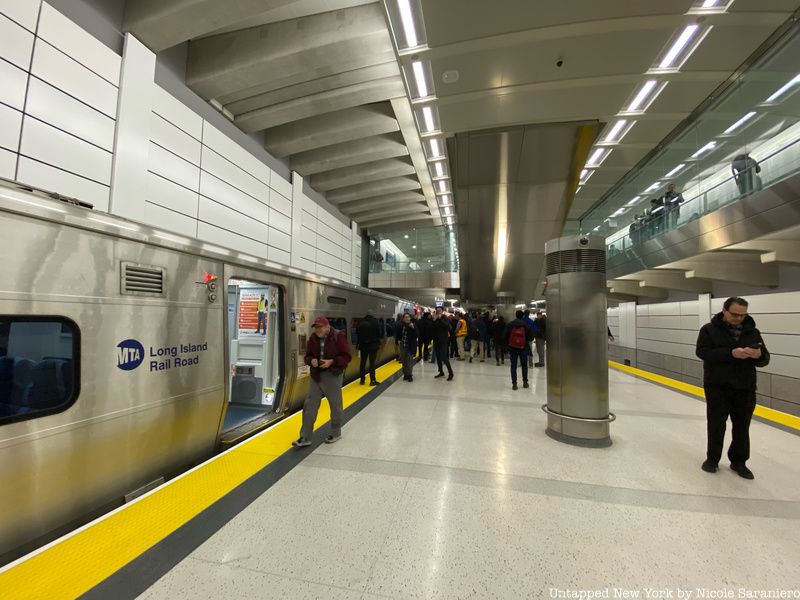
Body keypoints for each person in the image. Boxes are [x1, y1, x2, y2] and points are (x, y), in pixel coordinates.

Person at [695, 297, 770, 480]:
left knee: (742, 426)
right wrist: (731, 353)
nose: (738, 318)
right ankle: (712, 459)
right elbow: (702, 352)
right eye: (735, 314)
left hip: (745, 388)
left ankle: (739, 461)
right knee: (716, 424)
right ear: (724, 310)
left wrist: (758, 355)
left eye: (742, 315)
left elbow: (765, 359)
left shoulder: (753, 332)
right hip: (717, 387)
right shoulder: (709, 330)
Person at [292, 317, 352, 447]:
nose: (317, 330)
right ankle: (305, 437)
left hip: (333, 375)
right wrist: (311, 360)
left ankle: (336, 432)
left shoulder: (338, 336)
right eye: (316, 327)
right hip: (316, 375)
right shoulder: (313, 338)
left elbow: (347, 356)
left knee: (335, 405)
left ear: (327, 327)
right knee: (309, 406)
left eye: (320, 327)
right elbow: (307, 356)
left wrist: (332, 362)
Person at [504, 310, 534, 390]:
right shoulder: (526, 325)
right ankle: (525, 382)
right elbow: (531, 337)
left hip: (512, 347)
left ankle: (514, 384)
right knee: (524, 365)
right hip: (523, 347)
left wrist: (508, 343)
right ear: (522, 316)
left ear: (516, 315)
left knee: (513, 365)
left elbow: (505, 335)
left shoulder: (510, 324)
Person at [356, 311, 381, 386]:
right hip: (373, 346)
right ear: (372, 315)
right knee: (372, 363)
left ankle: (362, 380)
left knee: (362, 362)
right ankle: (372, 380)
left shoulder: (360, 321)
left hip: (362, 346)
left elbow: (357, 332)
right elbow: (379, 333)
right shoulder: (375, 321)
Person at [432, 307, 454, 381]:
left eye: (439, 310)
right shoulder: (435, 318)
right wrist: (434, 320)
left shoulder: (445, 318)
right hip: (436, 341)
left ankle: (451, 373)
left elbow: (447, 326)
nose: (438, 312)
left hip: (443, 341)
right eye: (437, 310)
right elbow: (432, 328)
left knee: (444, 357)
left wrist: (440, 318)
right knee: (438, 357)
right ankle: (441, 372)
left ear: (442, 311)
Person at [398, 313, 418, 382]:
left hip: (410, 346)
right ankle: (405, 374)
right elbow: (398, 334)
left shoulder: (413, 325)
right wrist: (398, 340)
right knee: (404, 361)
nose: (407, 318)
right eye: (405, 317)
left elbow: (417, 335)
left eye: (408, 317)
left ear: (410, 318)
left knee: (409, 361)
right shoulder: (401, 326)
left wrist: (413, 328)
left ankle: (409, 375)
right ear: (403, 319)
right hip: (403, 346)